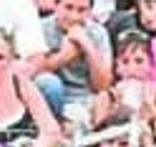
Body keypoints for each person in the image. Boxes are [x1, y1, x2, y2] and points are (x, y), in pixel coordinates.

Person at [36, 0, 114, 128]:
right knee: (48, 82)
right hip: (52, 96)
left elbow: (103, 84)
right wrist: (65, 55)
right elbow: (33, 72)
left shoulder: (98, 33)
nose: (74, 16)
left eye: (82, 10)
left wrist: (87, 46)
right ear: (56, 6)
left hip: (86, 97)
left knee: (104, 97)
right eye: (68, 7)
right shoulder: (41, 28)